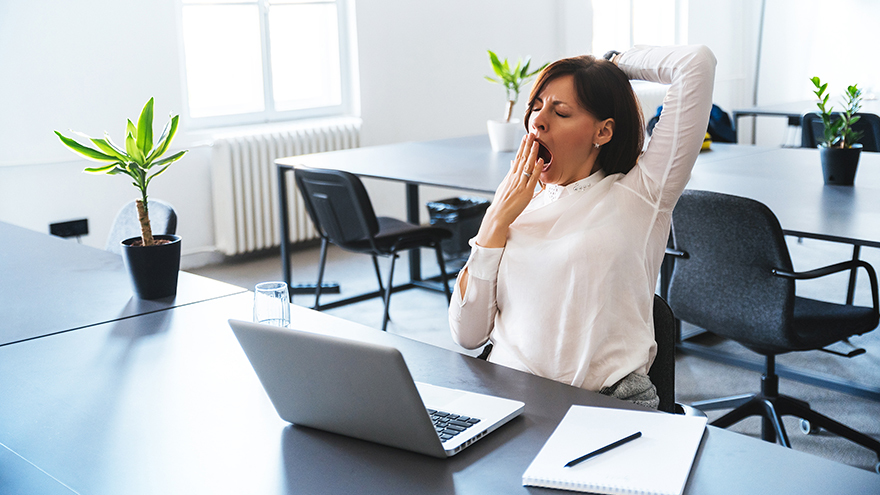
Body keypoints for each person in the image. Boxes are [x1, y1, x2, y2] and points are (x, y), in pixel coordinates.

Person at [448, 45, 716, 409]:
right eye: (536, 107)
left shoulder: (641, 194)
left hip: (604, 404)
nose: (539, 121)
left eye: (561, 112)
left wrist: (611, 64)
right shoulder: (515, 199)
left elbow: (695, 64)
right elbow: (467, 335)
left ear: (603, 132)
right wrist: (495, 221)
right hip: (508, 394)